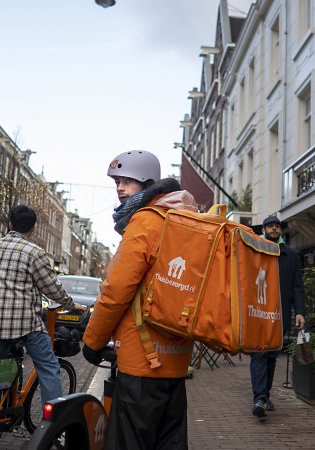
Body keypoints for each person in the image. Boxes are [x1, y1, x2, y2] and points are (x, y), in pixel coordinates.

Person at [82, 150, 197, 449]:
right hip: (176, 357)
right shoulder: (183, 220)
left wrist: (93, 341)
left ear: (147, 184)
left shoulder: (145, 221)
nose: (119, 188)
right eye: (117, 181)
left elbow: (116, 290)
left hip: (141, 358)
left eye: (128, 181)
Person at [0, 205, 85, 444]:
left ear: (9, 224)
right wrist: (70, 304)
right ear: (34, 227)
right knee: (49, 367)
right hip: (24, 321)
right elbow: (50, 287)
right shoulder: (34, 252)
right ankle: (55, 428)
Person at [249, 215, 305, 418]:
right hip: (257, 310)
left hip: (280, 312)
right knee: (259, 352)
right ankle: (260, 397)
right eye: (270, 226)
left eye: (276, 227)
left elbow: (298, 285)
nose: (274, 229)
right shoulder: (255, 250)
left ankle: (264, 395)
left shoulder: (291, 254)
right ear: (263, 230)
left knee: (271, 354)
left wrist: (299, 311)